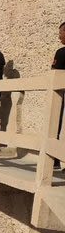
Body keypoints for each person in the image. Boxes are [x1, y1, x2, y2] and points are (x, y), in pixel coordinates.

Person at [51, 22, 65, 168]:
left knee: (56, 123)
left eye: (60, 32)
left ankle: (54, 159)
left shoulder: (61, 52)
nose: (59, 36)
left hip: (62, 95)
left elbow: (54, 73)